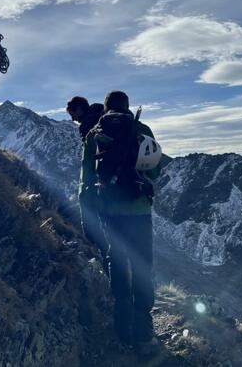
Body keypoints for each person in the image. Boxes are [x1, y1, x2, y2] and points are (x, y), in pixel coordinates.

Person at [85, 90, 160, 349]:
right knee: (141, 263)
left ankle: (122, 325)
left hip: (110, 210)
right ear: (128, 107)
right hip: (139, 210)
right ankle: (143, 327)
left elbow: (86, 174)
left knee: (116, 261)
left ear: (105, 109)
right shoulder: (143, 128)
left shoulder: (95, 133)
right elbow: (155, 169)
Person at [67, 96, 107, 258]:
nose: (73, 119)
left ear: (80, 109)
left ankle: (105, 263)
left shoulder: (88, 127)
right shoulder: (103, 118)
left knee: (94, 232)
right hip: (118, 187)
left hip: (96, 187)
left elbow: (91, 160)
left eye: (73, 114)